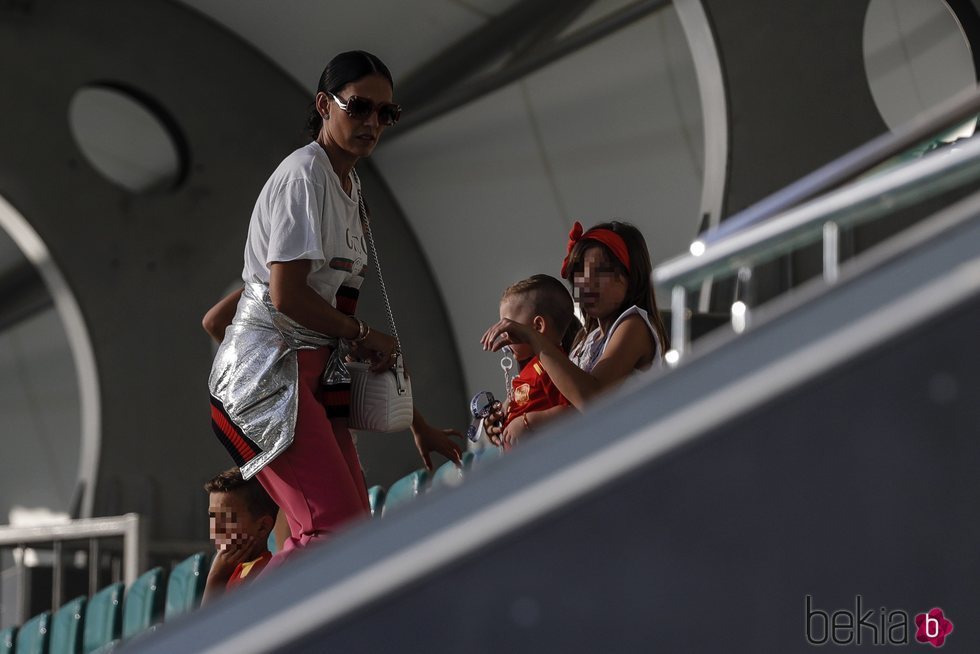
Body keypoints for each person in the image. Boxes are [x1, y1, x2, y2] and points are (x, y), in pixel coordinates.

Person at [206, 50, 462, 561]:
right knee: (334, 537)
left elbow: (244, 307)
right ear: (325, 105)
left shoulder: (348, 185)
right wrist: (358, 333)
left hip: (307, 378)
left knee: (347, 534)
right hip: (276, 383)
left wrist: (417, 420)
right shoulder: (305, 176)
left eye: (386, 114)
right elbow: (286, 296)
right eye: (359, 107)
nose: (372, 123)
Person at [481, 221, 669, 419]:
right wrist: (507, 415)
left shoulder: (634, 325)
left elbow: (592, 399)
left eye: (599, 272)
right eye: (579, 272)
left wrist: (534, 339)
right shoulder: (587, 338)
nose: (585, 283)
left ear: (630, 276)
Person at [487, 274, 576, 448]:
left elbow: (571, 410)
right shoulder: (532, 367)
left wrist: (528, 422)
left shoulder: (551, 366)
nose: (504, 335)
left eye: (509, 327)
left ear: (537, 327)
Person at [202, 467, 277, 604]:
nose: (215, 531)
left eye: (226, 520)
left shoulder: (261, 574)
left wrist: (215, 579)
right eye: (212, 518)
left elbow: (212, 625)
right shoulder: (229, 570)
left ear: (262, 527)